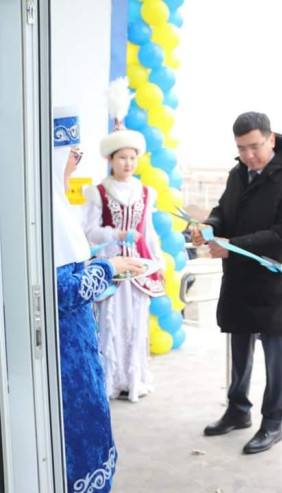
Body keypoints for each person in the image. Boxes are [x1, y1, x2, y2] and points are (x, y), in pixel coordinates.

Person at [192, 112, 282, 454]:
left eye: (254, 147)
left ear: (271, 139)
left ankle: (273, 422)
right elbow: (223, 211)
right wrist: (210, 226)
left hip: (274, 279)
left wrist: (232, 246)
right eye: (241, 149)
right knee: (239, 345)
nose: (248, 156)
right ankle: (238, 409)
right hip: (240, 277)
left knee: (276, 353)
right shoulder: (238, 174)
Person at [52, 107, 144, 491]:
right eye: (73, 155)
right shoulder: (48, 215)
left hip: (78, 345)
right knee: (77, 434)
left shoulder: (55, 207)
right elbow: (60, 291)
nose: (75, 164)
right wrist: (108, 266)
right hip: (63, 354)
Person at [83, 129, 166, 402]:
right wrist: (117, 234)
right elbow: (89, 231)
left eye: (132, 157)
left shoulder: (146, 192)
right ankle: (112, 381)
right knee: (111, 323)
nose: (128, 163)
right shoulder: (99, 192)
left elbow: (148, 231)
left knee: (136, 323)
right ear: (110, 159)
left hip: (139, 267)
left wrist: (159, 262)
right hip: (112, 268)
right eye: (122, 157)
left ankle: (134, 379)